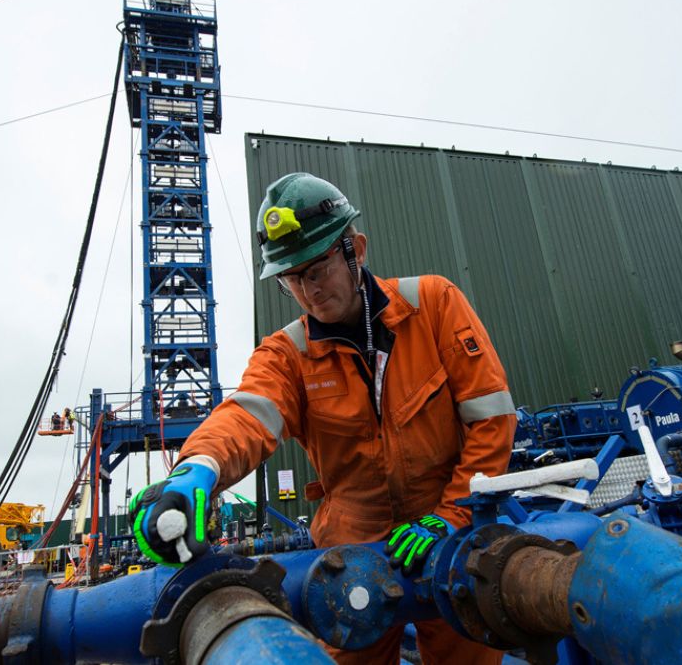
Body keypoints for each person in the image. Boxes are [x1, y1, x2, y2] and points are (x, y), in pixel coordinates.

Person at [130, 172, 515, 664]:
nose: (308, 291)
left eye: (317, 269)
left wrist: (452, 516)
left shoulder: (433, 305)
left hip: (450, 537)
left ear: (357, 249)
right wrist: (197, 468)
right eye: (291, 279)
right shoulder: (287, 355)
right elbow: (248, 415)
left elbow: (491, 417)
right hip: (350, 561)